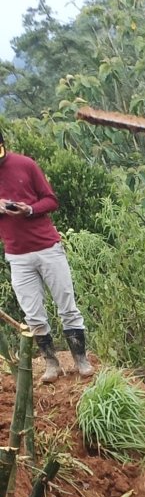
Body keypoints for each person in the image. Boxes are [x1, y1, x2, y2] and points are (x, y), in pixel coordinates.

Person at [0, 128, 93, 383]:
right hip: (17, 255)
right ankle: (51, 364)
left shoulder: (25, 165)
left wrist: (28, 209)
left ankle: (81, 360)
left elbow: (51, 200)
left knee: (67, 305)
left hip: (47, 248)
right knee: (33, 314)